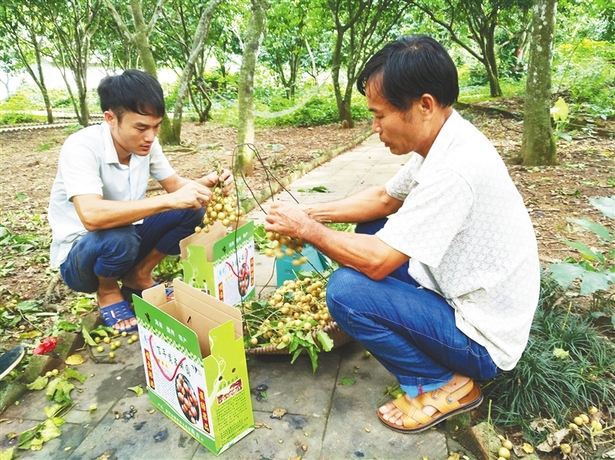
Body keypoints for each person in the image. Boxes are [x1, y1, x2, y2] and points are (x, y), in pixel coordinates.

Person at [264, 35, 540, 433]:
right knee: (372, 229)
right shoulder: (446, 139)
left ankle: (445, 385)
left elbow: (377, 262)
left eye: (379, 115)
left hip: (484, 340)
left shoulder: (454, 170)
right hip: (462, 291)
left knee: (346, 291)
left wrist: (307, 231)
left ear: (423, 106)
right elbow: (384, 198)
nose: (374, 127)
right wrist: (309, 213)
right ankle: (415, 339)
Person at [48, 69, 232, 333]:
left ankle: (139, 275)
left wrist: (203, 185)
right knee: (119, 237)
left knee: (193, 209)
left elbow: (175, 186)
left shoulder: (146, 145)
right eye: (141, 127)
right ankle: (108, 290)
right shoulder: (81, 147)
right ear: (110, 118)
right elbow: (91, 216)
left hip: (127, 238)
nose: (151, 136)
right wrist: (169, 200)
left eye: (156, 126)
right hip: (82, 256)